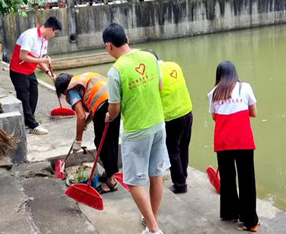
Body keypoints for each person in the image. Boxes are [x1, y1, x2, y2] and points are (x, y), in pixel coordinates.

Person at [103, 23, 170, 234]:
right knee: (155, 175)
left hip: (136, 131)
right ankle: (152, 220)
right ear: (128, 39)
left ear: (109, 46)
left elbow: (114, 108)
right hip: (158, 124)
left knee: (133, 182)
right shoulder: (150, 58)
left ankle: (153, 229)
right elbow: (159, 86)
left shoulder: (116, 71)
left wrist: (108, 116)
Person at [207, 61, 259, 232]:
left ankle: (231, 213)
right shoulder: (245, 88)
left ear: (219, 76)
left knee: (228, 179)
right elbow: (254, 112)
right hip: (243, 141)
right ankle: (250, 221)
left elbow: (215, 117)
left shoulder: (214, 93)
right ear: (235, 74)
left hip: (223, 142)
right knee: (247, 180)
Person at [54, 72, 121, 193]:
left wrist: (78, 141)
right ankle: (109, 172)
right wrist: (87, 122)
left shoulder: (71, 90)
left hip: (103, 106)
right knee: (111, 140)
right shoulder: (83, 79)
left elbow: (80, 115)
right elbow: (93, 104)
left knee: (102, 143)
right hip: (115, 103)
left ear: (63, 90)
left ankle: (111, 182)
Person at [144, 49, 193, 194]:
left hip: (171, 117)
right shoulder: (174, 65)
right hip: (187, 112)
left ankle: (180, 184)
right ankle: (183, 175)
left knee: (173, 150)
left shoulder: (153, 75)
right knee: (184, 147)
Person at [9, 16, 62, 135]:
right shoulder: (30, 36)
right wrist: (42, 60)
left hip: (29, 70)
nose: (54, 36)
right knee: (24, 98)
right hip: (18, 71)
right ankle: (33, 125)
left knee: (34, 95)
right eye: (55, 33)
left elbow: (40, 60)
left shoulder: (44, 39)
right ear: (50, 29)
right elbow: (23, 56)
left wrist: (49, 74)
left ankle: (28, 121)